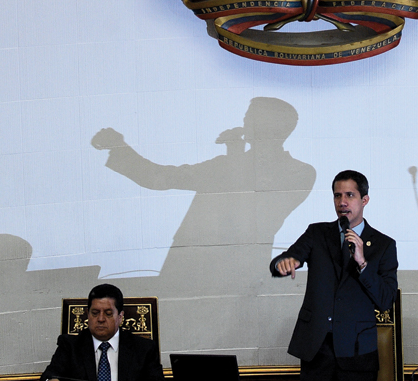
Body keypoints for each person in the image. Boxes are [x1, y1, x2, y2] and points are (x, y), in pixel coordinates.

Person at [91, 97, 315, 292]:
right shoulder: (225, 165)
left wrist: (235, 153)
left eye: (250, 117)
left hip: (239, 276)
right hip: (186, 266)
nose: (244, 123)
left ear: (268, 126)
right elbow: (159, 177)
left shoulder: (298, 172)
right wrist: (119, 148)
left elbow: (250, 212)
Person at [270, 170, 398, 381]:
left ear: (364, 200)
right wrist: (283, 263)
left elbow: (386, 300)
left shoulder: (383, 245)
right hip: (317, 349)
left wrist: (362, 263)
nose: (342, 202)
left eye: (350, 195)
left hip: (357, 352)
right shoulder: (317, 233)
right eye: (337, 196)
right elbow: (289, 257)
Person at [40, 283, 163, 381]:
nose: (100, 319)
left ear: (120, 317)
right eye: (95, 313)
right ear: (88, 314)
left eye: (108, 314)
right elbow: (49, 376)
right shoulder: (70, 346)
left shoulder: (144, 349)